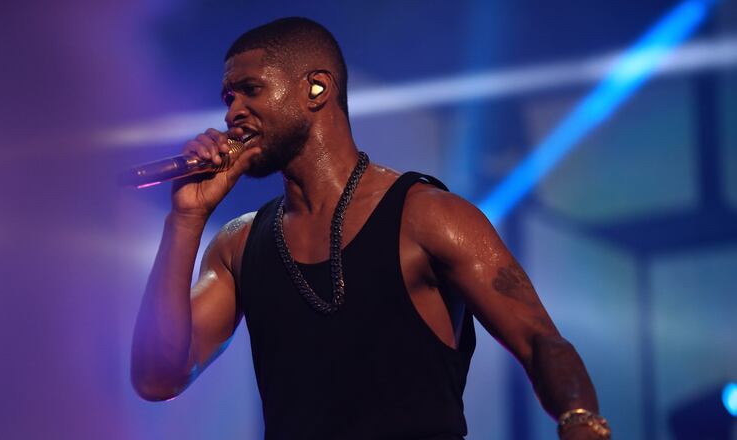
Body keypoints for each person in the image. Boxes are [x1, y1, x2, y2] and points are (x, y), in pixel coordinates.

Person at [131, 17, 610, 440]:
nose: (232, 113)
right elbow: (157, 378)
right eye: (228, 97)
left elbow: (539, 340)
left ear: (316, 89)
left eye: (250, 90)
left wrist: (580, 421)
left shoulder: (428, 216)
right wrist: (186, 219)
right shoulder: (239, 245)